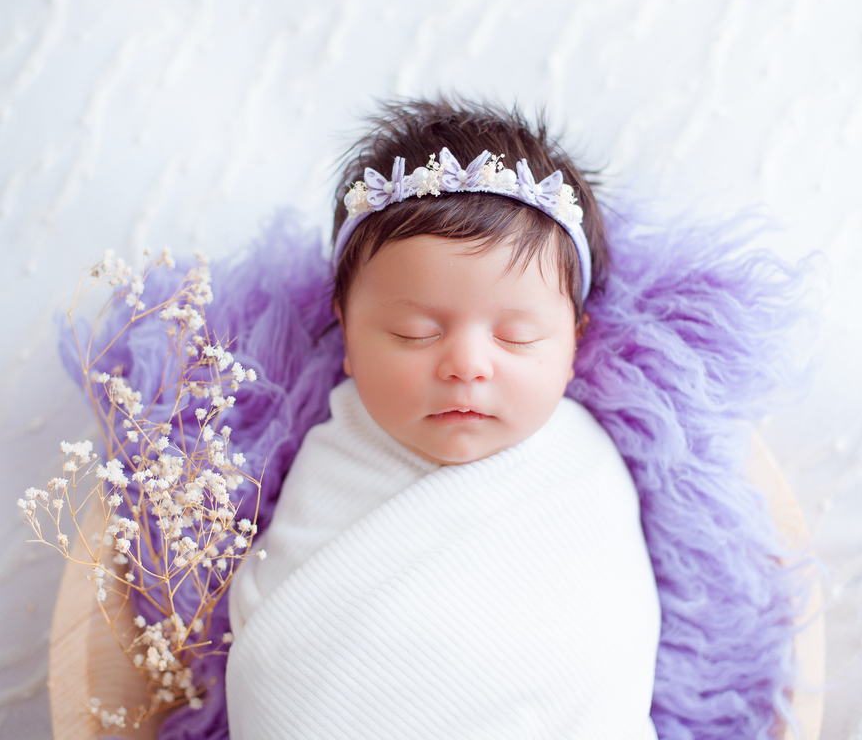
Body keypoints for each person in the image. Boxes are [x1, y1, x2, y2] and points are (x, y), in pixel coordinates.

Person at [224, 98, 661, 738]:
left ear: (575, 343)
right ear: (346, 334)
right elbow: (281, 647)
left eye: (516, 336)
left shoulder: (582, 470)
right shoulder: (336, 455)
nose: (466, 365)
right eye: (413, 332)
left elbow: (603, 645)